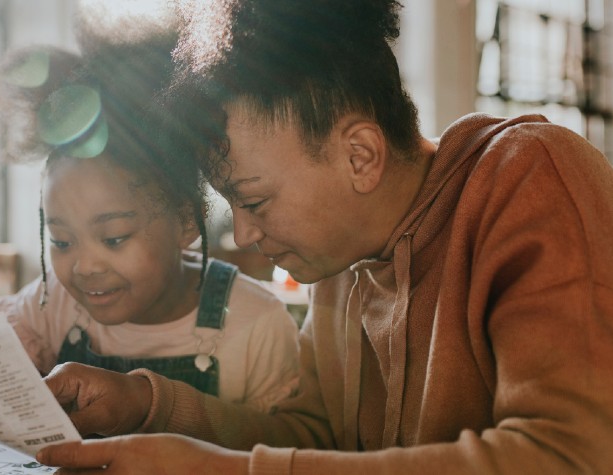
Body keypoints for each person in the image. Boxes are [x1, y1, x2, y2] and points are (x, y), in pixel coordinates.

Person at [33, 0, 613, 473]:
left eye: (253, 200)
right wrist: (144, 404)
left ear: (359, 156)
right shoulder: (342, 262)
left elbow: (573, 456)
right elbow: (311, 438)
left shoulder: (531, 175)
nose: (243, 233)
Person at [0, 12, 302, 438]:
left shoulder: (254, 324)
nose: (85, 267)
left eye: (114, 238)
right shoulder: (54, 305)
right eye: (62, 241)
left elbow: (287, 444)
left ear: (186, 221)